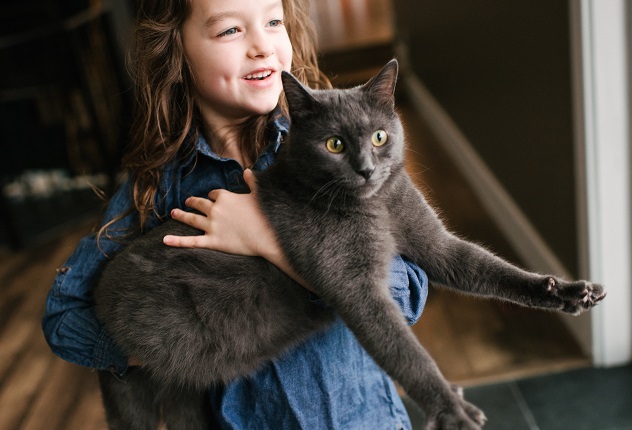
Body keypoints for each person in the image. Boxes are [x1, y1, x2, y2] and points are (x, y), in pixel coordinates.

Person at [42, 0, 429, 428]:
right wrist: (168, 350)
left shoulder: (346, 163)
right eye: (230, 30)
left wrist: (264, 238)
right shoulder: (158, 187)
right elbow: (63, 318)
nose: (261, 45)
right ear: (175, 51)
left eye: (273, 21)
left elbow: (403, 296)